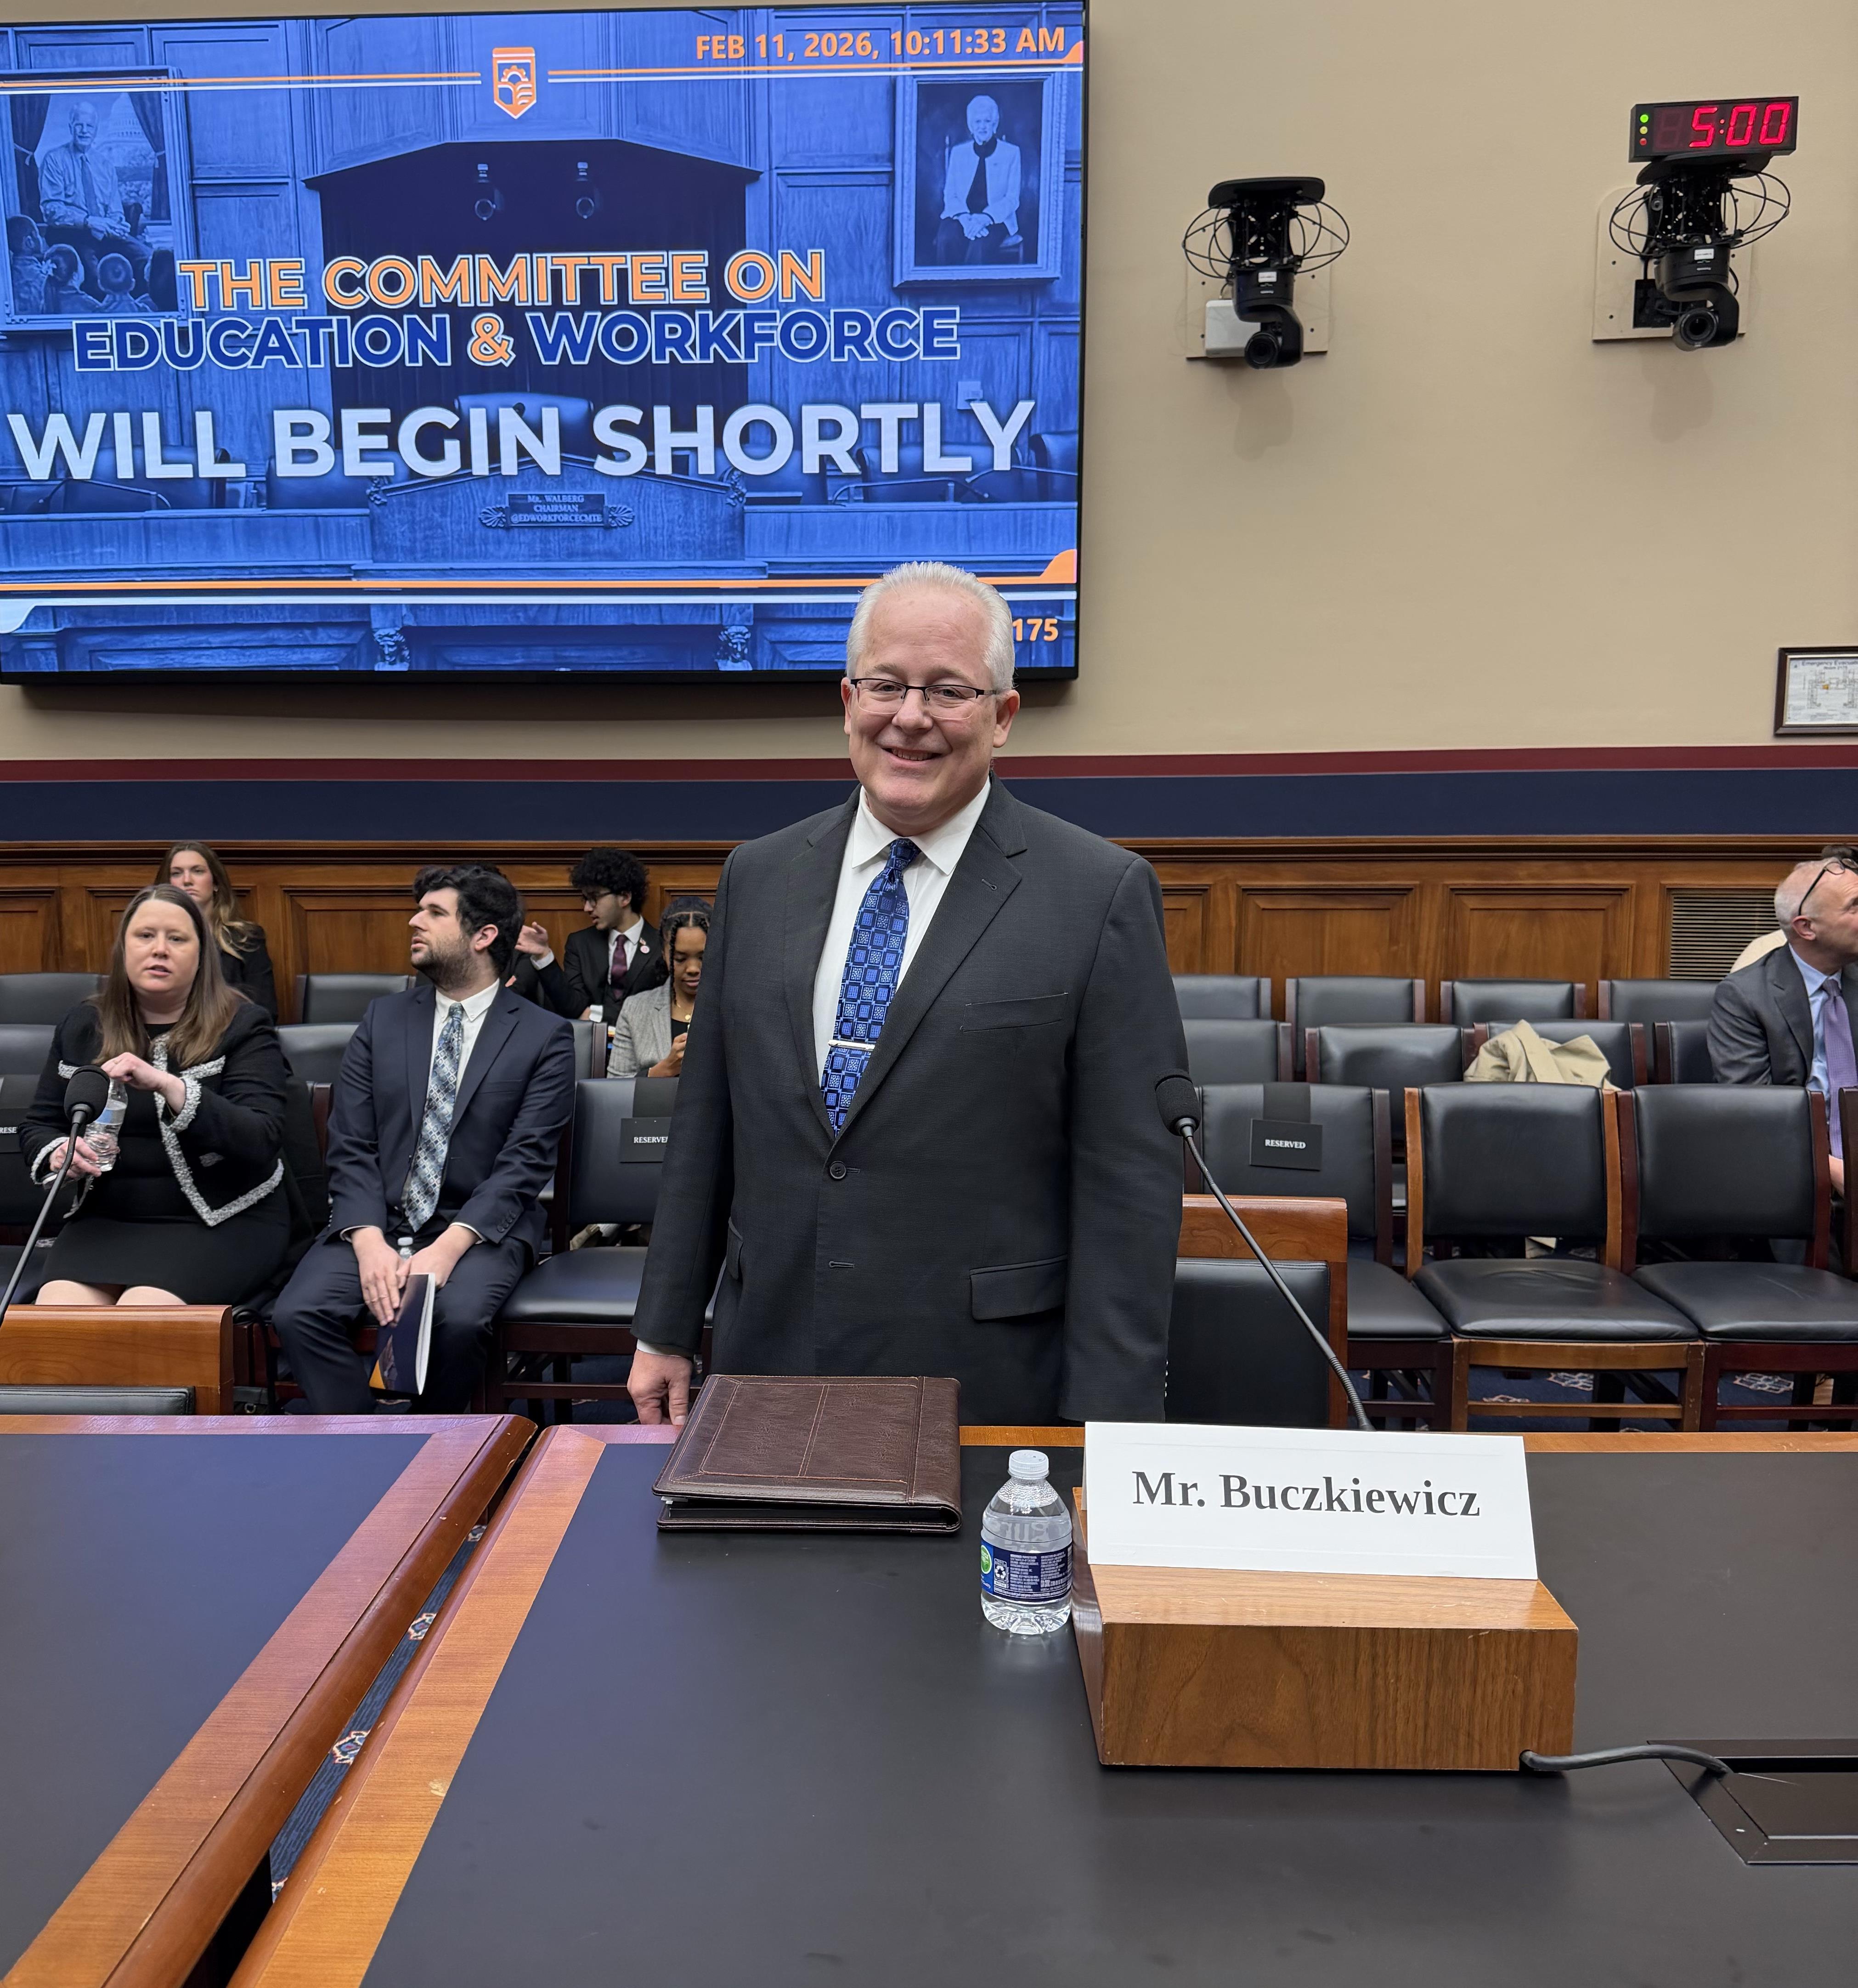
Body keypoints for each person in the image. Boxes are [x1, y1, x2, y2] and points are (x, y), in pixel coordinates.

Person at [627, 561, 1186, 1428]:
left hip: (985, 1381)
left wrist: (1107, 1422)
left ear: (1003, 715)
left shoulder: (1097, 892)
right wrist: (665, 1325)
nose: (911, 716)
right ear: (848, 700)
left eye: (948, 690)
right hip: (770, 1355)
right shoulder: (759, 876)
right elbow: (708, 1127)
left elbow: (1129, 1188)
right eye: (886, 685)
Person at [271, 864, 574, 1413]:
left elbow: (526, 1161)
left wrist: (448, 1247)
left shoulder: (544, 1035)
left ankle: (432, 1440)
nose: (414, 921)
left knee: (459, 1320)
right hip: (378, 1218)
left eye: (434, 913)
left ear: (483, 935)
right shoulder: (382, 1019)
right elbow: (350, 1140)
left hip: (479, 1227)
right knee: (299, 1314)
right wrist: (367, 1240)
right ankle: (367, 1442)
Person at [22, 884, 289, 1306]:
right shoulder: (83, 1025)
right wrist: (59, 1152)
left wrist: (170, 1086)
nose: (159, 949)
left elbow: (261, 1137)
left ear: (202, 955)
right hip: (105, 1221)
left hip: (221, 1217)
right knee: (59, 1314)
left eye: (177, 938)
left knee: (143, 1313)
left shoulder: (243, 1025)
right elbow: (39, 1123)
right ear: (123, 948)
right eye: (145, 935)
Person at [1710, 853, 1858, 1192]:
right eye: (1854, 906)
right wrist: (1831, 1168)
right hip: (1791, 1164)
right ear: (1807, 928)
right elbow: (1755, 1111)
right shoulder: (1745, 996)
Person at [510, 847, 659, 1024]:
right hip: (590, 1040)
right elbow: (572, 1007)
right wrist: (544, 955)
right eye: (586, 899)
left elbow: (658, 1011)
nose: (587, 908)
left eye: (594, 898)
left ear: (625, 897)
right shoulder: (580, 944)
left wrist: (595, 1014)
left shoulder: (662, 945)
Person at [37, 99, 149, 295]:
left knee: (145, 258)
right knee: (95, 275)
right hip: (71, 233)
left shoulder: (105, 165)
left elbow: (115, 209)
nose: (84, 131)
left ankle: (136, 307)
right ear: (71, 127)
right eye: (79, 125)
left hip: (106, 233)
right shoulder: (54, 160)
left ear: (96, 130)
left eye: (89, 126)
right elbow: (51, 210)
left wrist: (117, 224)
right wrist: (88, 221)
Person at [158, 842, 278, 1017]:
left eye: (198, 871)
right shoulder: (155, 942)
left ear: (216, 883)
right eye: (177, 873)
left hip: (231, 1030)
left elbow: (265, 1011)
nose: (187, 880)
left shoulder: (247, 939)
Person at [608, 905, 708, 1079]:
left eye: (703, 957)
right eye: (680, 959)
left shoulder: (736, 1010)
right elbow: (613, 1088)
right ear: (664, 954)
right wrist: (662, 1071)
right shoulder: (635, 1010)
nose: (693, 968)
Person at [935, 95, 1022, 265]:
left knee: (979, 245)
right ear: (971, 126)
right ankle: (947, 284)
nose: (982, 126)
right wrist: (965, 219)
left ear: (994, 125)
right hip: (962, 216)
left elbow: (1012, 199)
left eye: (987, 121)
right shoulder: (959, 153)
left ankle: (971, 284)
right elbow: (950, 194)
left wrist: (986, 218)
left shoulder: (1011, 153)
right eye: (978, 122)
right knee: (947, 238)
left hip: (997, 219)